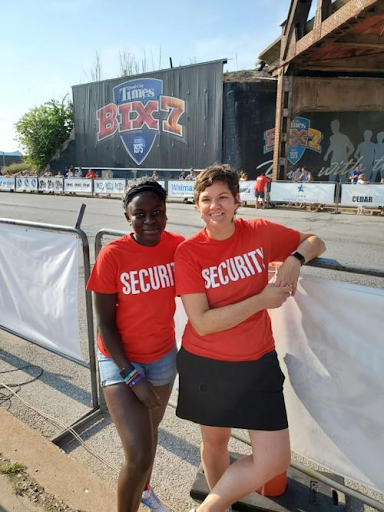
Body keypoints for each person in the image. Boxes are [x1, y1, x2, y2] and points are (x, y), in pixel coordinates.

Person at [174, 165, 325, 512]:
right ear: (197, 205)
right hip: (206, 362)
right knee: (215, 443)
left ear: (237, 201)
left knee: (274, 459)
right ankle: (221, 508)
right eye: (206, 199)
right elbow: (203, 323)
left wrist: (295, 259)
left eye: (223, 197)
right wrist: (261, 301)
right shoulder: (189, 252)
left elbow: (316, 240)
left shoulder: (259, 231)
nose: (215, 206)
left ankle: (207, 509)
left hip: (257, 361)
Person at [87, 179, 184, 512]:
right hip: (119, 360)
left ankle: (144, 490)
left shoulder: (177, 247)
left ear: (166, 213)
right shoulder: (113, 255)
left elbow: (215, 265)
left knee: (150, 431)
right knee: (139, 454)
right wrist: (131, 376)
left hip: (162, 358)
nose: (149, 221)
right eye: (139, 214)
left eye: (157, 213)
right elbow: (105, 323)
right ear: (127, 216)